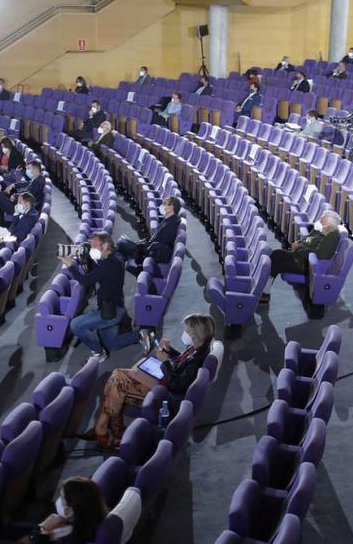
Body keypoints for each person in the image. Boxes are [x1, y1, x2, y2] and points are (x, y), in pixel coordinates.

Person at [87, 313, 212, 448]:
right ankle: (110, 429)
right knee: (117, 381)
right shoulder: (197, 347)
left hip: (164, 395)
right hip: (164, 382)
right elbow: (181, 361)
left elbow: (176, 386)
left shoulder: (198, 361)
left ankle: (105, 428)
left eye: (188, 331)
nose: (185, 333)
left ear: (196, 334)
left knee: (117, 380)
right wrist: (169, 351)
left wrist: (164, 362)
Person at [61, 233, 138, 363]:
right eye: (91, 245)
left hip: (110, 313)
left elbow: (85, 281)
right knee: (112, 344)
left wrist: (70, 265)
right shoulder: (115, 257)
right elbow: (101, 269)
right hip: (114, 306)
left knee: (75, 325)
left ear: (105, 245)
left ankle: (98, 352)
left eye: (95, 245)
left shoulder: (108, 265)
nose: (92, 249)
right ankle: (140, 335)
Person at [262, 210, 342, 304]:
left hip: (306, 265)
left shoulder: (331, 237)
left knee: (276, 258)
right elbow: (307, 239)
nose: (319, 220)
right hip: (300, 256)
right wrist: (298, 243)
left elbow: (318, 255)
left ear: (329, 223)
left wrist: (298, 248)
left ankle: (265, 293)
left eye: (322, 219)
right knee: (275, 254)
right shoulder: (320, 230)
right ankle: (265, 290)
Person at [19, 477, 108, 544]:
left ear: (72, 510)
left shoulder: (73, 538)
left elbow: (32, 539)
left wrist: (43, 529)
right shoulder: (90, 515)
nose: (58, 501)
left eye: (62, 499)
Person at [117, 196, 181, 269]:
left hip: (150, 253)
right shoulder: (167, 219)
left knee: (121, 243)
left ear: (171, 207)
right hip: (148, 248)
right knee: (121, 246)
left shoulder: (171, 224)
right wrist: (145, 240)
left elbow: (160, 242)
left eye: (164, 203)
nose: (162, 205)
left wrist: (143, 246)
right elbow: (157, 237)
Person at [0, 192, 38, 263]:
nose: (17, 205)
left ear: (27, 204)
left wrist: (2, 240)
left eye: (19, 202)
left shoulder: (27, 219)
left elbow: (15, 235)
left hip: (14, 245)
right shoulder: (32, 212)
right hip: (13, 240)